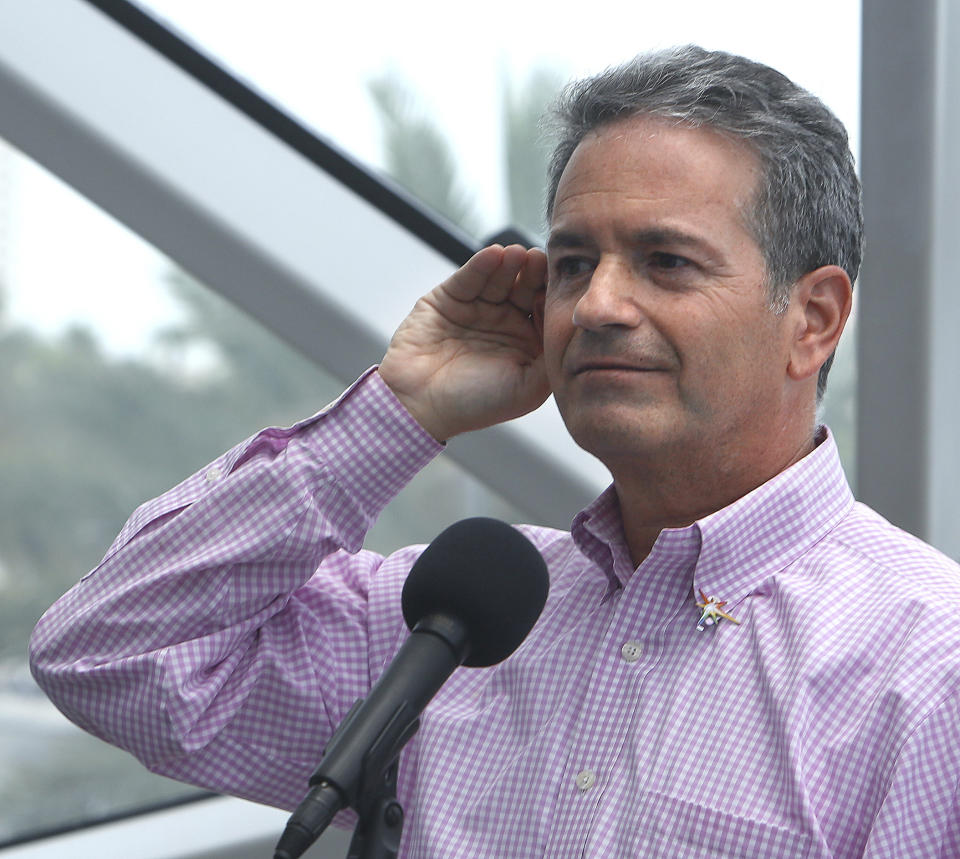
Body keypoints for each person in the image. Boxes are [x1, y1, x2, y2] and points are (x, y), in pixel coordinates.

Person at [29, 45, 960, 857]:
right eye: (572, 263)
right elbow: (106, 653)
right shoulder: (451, 619)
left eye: (666, 261)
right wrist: (403, 411)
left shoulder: (928, 671)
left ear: (815, 319)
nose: (596, 305)